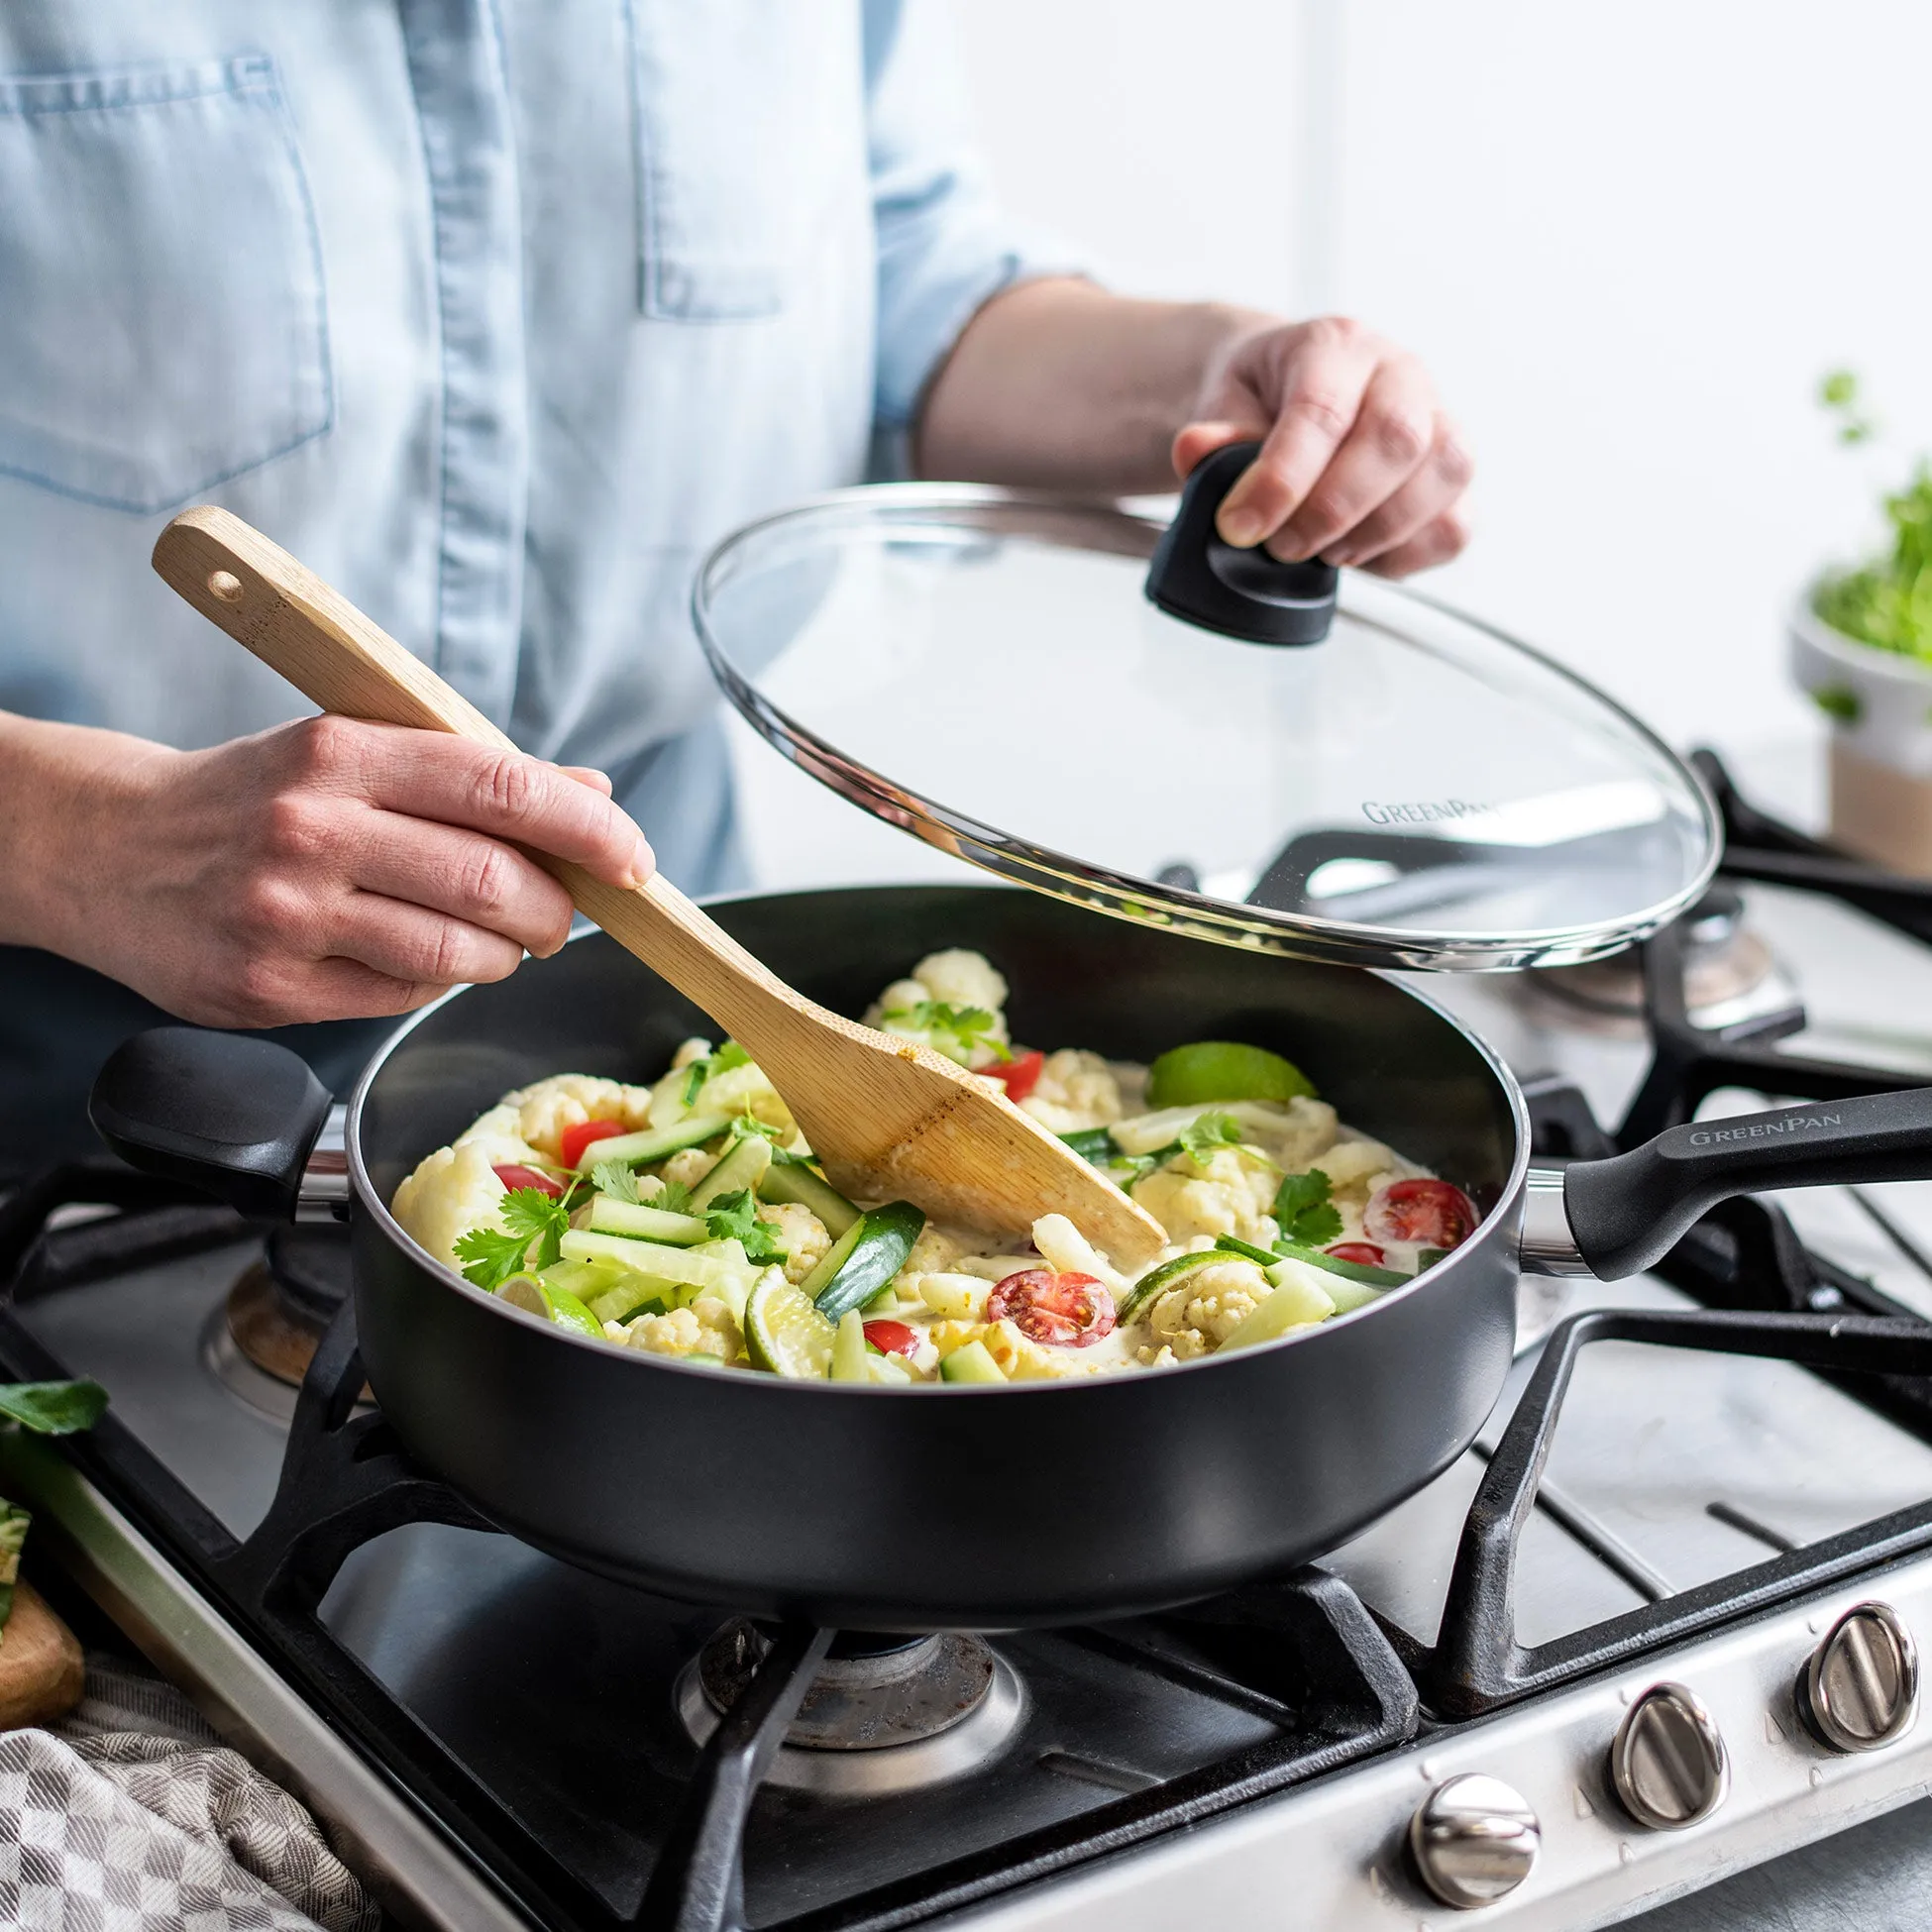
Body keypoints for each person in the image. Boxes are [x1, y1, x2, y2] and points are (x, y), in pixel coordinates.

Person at [0, 5, 1472, 1168]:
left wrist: (1207, 375)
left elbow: (902, 282)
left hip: (658, 973)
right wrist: (69, 840)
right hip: (50, 1051)